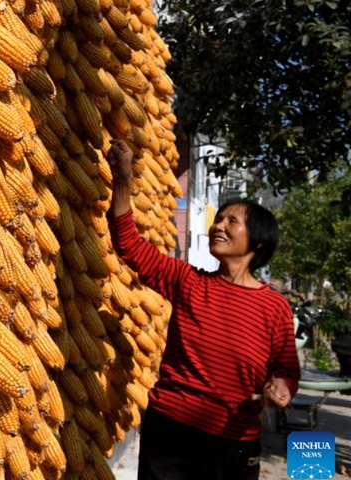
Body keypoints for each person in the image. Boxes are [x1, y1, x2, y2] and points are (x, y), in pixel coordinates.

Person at [106, 139, 300, 480]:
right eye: (218, 219)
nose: (218, 226)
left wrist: (282, 389)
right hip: (171, 431)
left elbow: (286, 369)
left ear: (258, 242)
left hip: (233, 442)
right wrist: (122, 179)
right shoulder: (187, 280)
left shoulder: (275, 307)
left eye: (232, 221)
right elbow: (129, 245)